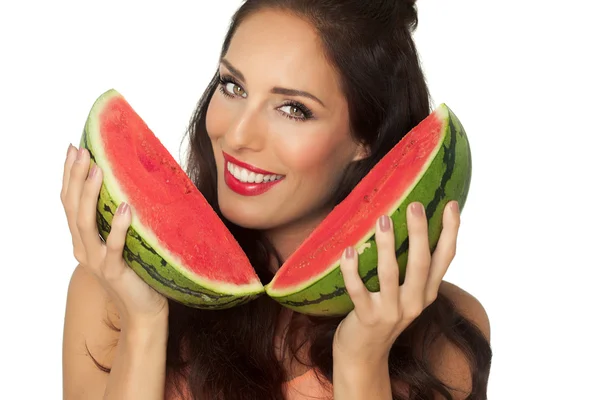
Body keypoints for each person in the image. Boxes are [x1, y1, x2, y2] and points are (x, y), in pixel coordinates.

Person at [61, 1, 492, 399]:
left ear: (366, 138)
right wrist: (144, 322)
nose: (237, 135)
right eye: (232, 87)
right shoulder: (110, 292)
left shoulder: (445, 336)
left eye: (293, 109)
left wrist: (362, 358)